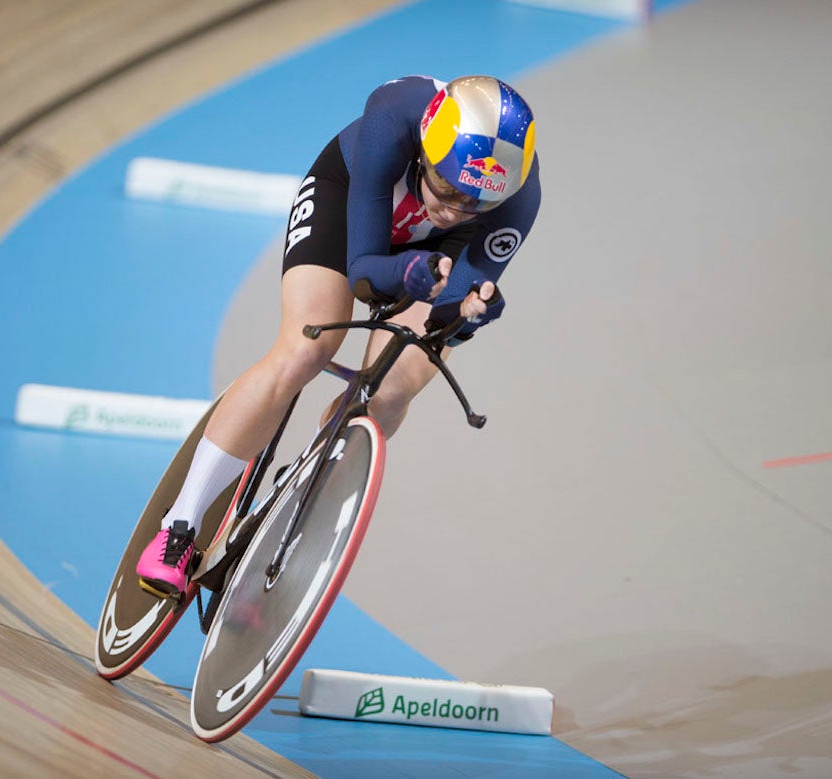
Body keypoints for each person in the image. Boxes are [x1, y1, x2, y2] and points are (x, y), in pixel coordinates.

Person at [136, 74, 541, 598]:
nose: (456, 208)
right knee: (306, 347)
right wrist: (405, 272)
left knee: (395, 387)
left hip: (439, 250)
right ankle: (180, 527)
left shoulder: (515, 198)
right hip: (349, 200)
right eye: (447, 187)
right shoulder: (392, 117)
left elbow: (447, 320)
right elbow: (364, 272)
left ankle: (297, 498)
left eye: (475, 203)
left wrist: (468, 312)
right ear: (425, 153)